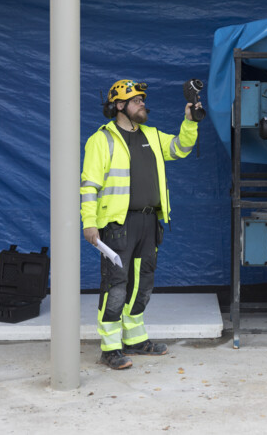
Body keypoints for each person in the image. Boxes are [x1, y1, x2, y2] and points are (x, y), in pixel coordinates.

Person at [80, 79, 201, 370]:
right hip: (118, 225)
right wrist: (89, 222)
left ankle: (134, 339)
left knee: (142, 283)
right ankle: (110, 347)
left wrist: (190, 121)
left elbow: (181, 147)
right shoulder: (102, 139)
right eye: (136, 100)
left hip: (149, 220)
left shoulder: (152, 135)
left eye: (142, 100)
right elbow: (89, 185)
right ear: (119, 105)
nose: (142, 104)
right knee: (116, 285)